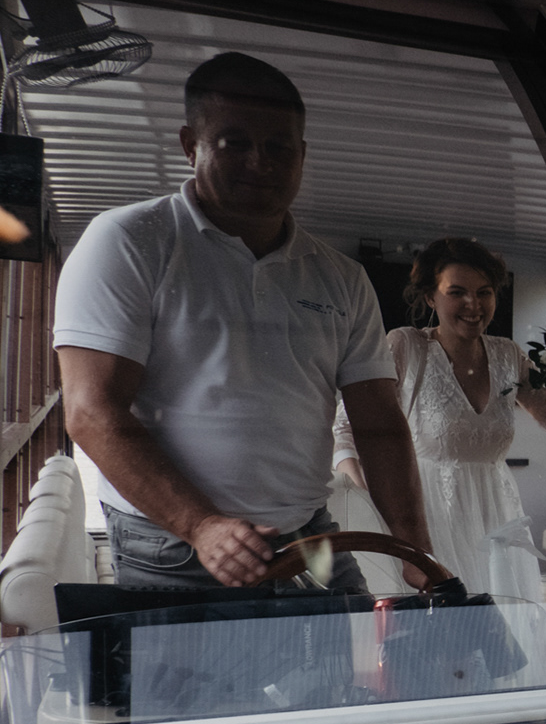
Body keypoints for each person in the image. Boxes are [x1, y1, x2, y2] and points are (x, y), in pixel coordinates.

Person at [56, 52, 429, 593]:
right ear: (190, 145)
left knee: (351, 647)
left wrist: (414, 547)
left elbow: (379, 424)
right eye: (235, 143)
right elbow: (92, 411)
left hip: (308, 535)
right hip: (176, 543)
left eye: (279, 147)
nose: (260, 162)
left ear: (302, 155)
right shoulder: (130, 241)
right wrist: (201, 526)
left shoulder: (341, 277)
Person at [334, 238, 546, 602]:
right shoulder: (406, 346)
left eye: (484, 292)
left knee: (503, 616)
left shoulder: (509, 355)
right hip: (427, 518)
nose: (473, 304)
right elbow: (345, 429)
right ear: (431, 298)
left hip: (497, 517)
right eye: (457, 292)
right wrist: (372, 505)